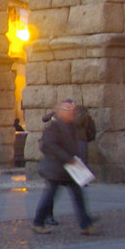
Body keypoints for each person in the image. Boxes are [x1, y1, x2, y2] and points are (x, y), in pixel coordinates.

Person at [32, 100, 98, 234]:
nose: (72, 113)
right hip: (56, 169)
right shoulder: (53, 128)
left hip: (70, 170)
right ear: (61, 112)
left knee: (78, 196)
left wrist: (76, 160)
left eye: (73, 110)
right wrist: (68, 158)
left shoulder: (72, 127)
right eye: (69, 110)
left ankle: (85, 224)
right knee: (49, 196)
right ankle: (38, 222)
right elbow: (50, 146)